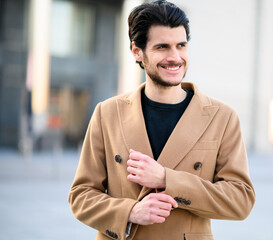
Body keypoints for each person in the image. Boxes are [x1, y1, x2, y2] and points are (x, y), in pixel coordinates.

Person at [68, 1, 255, 239]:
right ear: (137, 51)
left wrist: (167, 179)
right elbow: (81, 195)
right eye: (162, 47)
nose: (175, 57)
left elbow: (241, 200)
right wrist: (130, 211)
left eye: (181, 45)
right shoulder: (107, 113)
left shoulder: (222, 117)